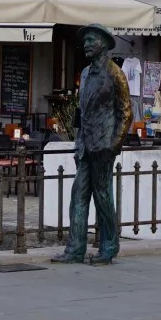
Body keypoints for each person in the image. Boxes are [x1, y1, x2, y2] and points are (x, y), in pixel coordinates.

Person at [53, 24, 133, 266]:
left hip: (104, 145)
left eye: (91, 40)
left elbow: (126, 112)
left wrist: (114, 145)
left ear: (103, 44)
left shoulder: (115, 73)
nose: (86, 44)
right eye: (85, 41)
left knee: (103, 196)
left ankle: (109, 246)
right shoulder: (86, 73)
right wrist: (78, 143)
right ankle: (75, 248)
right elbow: (82, 111)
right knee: (78, 193)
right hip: (86, 145)